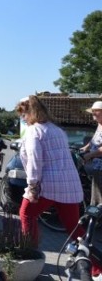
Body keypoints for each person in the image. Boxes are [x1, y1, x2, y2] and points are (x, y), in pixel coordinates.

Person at [15, 95, 84, 247]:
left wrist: (33, 186)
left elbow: (35, 160)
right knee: (74, 227)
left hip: (47, 185)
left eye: (23, 114)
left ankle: (31, 253)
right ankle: (96, 265)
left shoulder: (34, 131)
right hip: (69, 185)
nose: (23, 118)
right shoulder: (57, 130)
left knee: (26, 214)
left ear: (31, 113)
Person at [80, 101, 102, 206]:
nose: (93, 113)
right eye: (92, 111)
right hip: (97, 164)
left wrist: (89, 155)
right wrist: (86, 147)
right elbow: (94, 140)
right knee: (96, 191)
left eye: (96, 111)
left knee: (100, 193)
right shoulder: (99, 124)